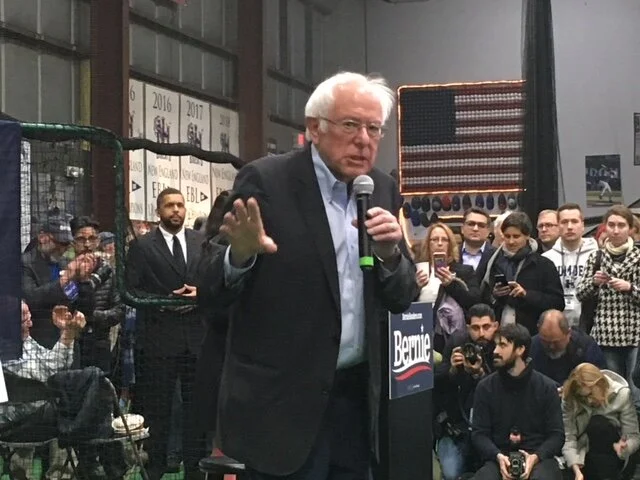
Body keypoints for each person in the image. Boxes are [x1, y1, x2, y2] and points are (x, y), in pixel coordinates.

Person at [208, 72, 418, 479]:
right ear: (314, 128)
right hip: (282, 408)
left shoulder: (380, 188)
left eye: (374, 128)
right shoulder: (267, 180)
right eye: (350, 125)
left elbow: (401, 295)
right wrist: (240, 254)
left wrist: (390, 256)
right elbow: (208, 283)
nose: (364, 140)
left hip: (355, 406)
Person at [125, 187, 206, 480]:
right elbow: (131, 289)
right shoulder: (143, 246)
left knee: (196, 410)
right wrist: (163, 302)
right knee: (158, 410)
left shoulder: (201, 242)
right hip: (159, 340)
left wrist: (200, 293)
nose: (176, 210)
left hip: (195, 339)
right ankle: (156, 468)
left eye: (180, 205)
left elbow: (212, 279)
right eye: (170, 205)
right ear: (158, 211)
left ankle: (195, 468)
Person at [471, 324, 564, 480]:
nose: (495, 351)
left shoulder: (546, 387)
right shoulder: (485, 387)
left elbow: (557, 435)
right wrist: (498, 456)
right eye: (496, 345)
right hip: (499, 456)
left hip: (538, 457)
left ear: (520, 349)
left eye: (502, 345)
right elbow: (479, 434)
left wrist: (536, 457)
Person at [576, 205, 640, 409]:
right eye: (611, 225)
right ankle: (618, 427)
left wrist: (630, 288)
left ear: (630, 229)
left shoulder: (638, 257)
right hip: (605, 333)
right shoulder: (596, 257)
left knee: (636, 391)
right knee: (613, 392)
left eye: (621, 225)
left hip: (635, 334)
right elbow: (580, 293)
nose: (616, 230)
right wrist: (594, 283)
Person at [435, 303, 499, 479]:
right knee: (451, 473)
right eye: (476, 328)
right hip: (457, 427)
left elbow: (502, 389)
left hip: (491, 429)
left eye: (486, 327)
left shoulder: (500, 346)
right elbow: (436, 381)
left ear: (495, 326)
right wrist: (452, 371)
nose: (481, 333)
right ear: (468, 328)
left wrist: (480, 374)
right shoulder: (458, 342)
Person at [480, 211, 565, 336]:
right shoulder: (493, 261)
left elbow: (557, 303)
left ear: (527, 236)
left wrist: (526, 294)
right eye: (507, 236)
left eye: (516, 236)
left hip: (532, 332)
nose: (511, 241)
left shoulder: (543, 265)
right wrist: (494, 295)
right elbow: (481, 298)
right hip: (498, 331)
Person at [22, 216, 96, 347]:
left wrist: (84, 280)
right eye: (59, 243)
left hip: (68, 341)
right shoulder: (24, 263)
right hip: (38, 343)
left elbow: (85, 308)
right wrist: (64, 281)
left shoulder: (65, 263)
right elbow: (31, 298)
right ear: (42, 238)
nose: (63, 249)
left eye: (66, 244)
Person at [562, 363, 640, 480]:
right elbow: (569, 438)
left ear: (601, 384)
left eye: (590, 394)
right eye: (582, 397)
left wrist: (626, 447)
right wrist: (575, 467)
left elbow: (633, 436)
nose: (588, 401)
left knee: (598, 423)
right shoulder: (570, 398)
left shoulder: (622, 395)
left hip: (615, 454)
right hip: (583, 454)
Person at [415, 222, 481, 352]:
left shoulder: (464, 271)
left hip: (452, 337)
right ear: (428, 243)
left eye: (444, 240)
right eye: (435, 239)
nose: (440, 243)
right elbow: (403, 303)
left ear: (450, 244)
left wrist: (451, 285)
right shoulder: (418, 270)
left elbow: (474, 302)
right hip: (421, 333)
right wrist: (415, 287)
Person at [542, 203, 598, 327]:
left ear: (582, 225)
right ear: (558, 226)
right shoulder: (546, 258)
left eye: (574, 221)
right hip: (556, 324)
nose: (569, 227)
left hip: (589, 322)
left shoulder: (597, 256)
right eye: (564, 222)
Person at [530, 309, 606, 385]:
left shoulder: (586, 347)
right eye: (545, 341)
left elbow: (599, 380)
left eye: (556, 342)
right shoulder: (532, 346)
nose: (551, 346)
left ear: (569, 333)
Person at [459, 208, 495, 280]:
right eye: (471, 224)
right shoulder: (451, 255)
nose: (475, 229)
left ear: (488, 231)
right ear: (462, 228)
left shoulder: (497, 255)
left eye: (481, 225)